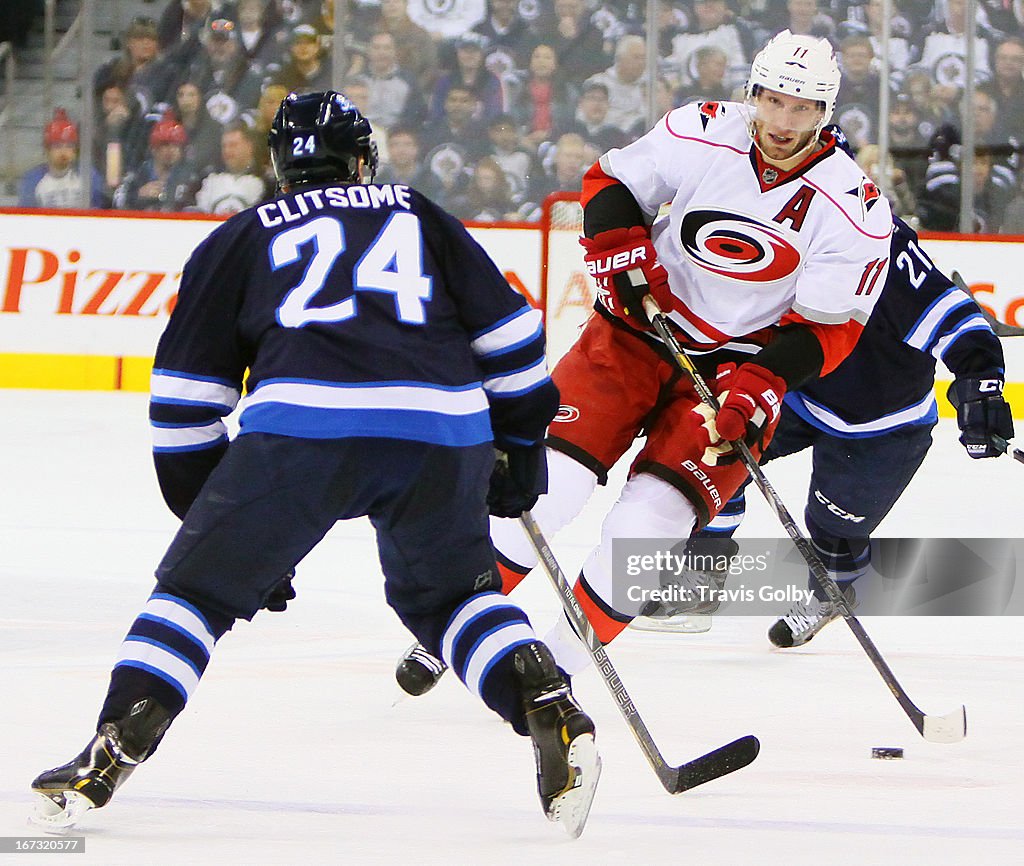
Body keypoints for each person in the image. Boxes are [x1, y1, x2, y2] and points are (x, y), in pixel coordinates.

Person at [30, 91, 600, 838]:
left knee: (195, 596)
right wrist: (520, 451)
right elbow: (518, 345)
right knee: (452, 601)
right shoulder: (419, 212)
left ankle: (114, 745)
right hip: (441, 427)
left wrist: (222, 532)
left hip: (304, 429)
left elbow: (181, 406)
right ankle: (545, 701)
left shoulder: (238, 237)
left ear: (277, 166)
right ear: (363, 159)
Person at [396, 30, 894, 689]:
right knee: (542, 489)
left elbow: (827, 329)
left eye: (801, 109)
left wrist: (760, 388)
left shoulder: (855, 208)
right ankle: (456, 619)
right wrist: (618, 249)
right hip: (632, 337)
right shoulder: (703, 129)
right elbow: (611, 183)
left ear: (825, 113)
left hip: (728, 378)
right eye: (773, 101)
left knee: (646, 535)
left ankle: (554, 669)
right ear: (754, 93)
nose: (782, 121)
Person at [654, 212, 1013, 645]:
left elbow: (957, 319)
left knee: (833, 528)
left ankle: (831, 589)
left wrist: (982, 392)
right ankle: (702, 574)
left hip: (882, 426)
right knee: (717, 454)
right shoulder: (770, 218)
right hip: (798, 389)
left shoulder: (882, 248)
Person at [18, 109, 105, 209]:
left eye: (69, 146)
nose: (63, 151)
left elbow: (98, 210)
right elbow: (26, 215)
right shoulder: (33, 179)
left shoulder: (89, 175)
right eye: (57, 146)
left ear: (75, 150)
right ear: (47, 150)